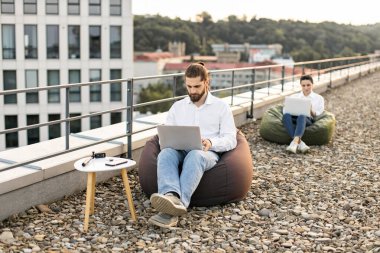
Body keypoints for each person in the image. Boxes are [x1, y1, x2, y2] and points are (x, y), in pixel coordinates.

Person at [148, 62, 237, 228]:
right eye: (189, 86)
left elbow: (231, 138)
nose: (192, 91)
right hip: (180, 149)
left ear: (206, 82)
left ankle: (176, 206)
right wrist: (167, 141)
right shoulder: (177, 107)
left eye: (197, 86)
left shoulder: (221, 107)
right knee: (165, 153)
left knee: (195, 155)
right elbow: (166, 137)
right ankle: (170, 194)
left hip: (206, 152)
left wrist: (211, 142)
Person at [282, 75, 324, 153]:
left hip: (307, 119)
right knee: (286, 116)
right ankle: (300, 143)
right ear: (301, 86)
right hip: (294, 117)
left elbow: (318, 113)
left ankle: (294, 143)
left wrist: (311, 110)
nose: (306, 88)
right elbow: (285, 110)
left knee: (302, 115)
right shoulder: (294, 96)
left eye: (308, 85)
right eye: (303, 85)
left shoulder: (319, 98)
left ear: (312, 85)